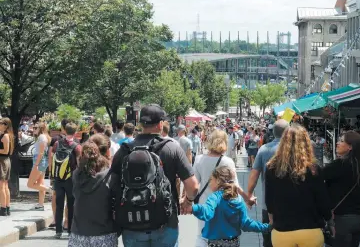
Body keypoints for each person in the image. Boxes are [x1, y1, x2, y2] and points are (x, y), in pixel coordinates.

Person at [111, 104, 199, 247]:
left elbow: (111, 184)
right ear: (160, 124)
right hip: (165, 221)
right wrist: (187, 201)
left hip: (132, 221)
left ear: (140, 124)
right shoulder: (172, 148)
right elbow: (193, 186)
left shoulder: (125, 150)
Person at [265, 125, 334, 247]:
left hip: (282, 231)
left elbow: (269, 200)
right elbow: (323, 200)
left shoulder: (272, 169)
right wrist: (329, 221)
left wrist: (272, 219)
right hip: (310, 230)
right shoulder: (314, 169)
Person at [193, 129, 254, 247]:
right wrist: (247, 198)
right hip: (224, 206)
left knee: (203, 235)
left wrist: (187, 200)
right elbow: (235, 186)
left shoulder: (199, 159)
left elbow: (195, 185)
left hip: (205, 204)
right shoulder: (228, 161)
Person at [188, 166, 270, 247]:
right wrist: (266, 227)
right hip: (234, 243)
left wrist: (193, 208)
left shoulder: (215, 197)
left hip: (215, 244)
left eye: (211, 180)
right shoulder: (238, 199)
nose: (210, 183)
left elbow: (207, 212)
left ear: (218, 181)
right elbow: (246, 224)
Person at [69, 134, 118, 247]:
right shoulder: (111, 177)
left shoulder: (77, 175)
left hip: (78, 233)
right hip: (104, 234)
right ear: (107, 152)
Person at [247, 119, 289, 247]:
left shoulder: (264, 149)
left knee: (269, 239)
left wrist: (249, 195)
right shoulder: (294, 150)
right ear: (287, 132)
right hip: (291, 204)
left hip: (268, 204)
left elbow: (254, 175)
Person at [322, 131, 360, 247]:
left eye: (341, 141)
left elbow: (316, 177)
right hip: (359, 218)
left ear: (350, 147)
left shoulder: (338, 165)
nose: (337, 143)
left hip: (341, 220)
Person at [51, 122, 82, 239]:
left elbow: (52, 157)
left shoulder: (57, 143)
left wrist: (52, 174)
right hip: (71, 178)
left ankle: (58, 231)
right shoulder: (77, 146)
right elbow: (79, 163)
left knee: (59, 204)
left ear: (64, 130)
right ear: (76, 132)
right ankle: (70, 231)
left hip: (58, 178)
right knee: (71, 205)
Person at [48, 118, 70, 228]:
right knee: (68, 197)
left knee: (55, 196)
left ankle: (56, 220)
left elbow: (50, 156)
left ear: (61, 127)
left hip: (56, 173)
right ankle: (66, 222)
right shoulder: (75, 141)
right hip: (69, 173)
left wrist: (51, 171)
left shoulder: (55, 139)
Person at [27, 122, 51, 211]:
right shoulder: (43, 137)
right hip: (42, 161)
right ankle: (41, 204)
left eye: (35, 128)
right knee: (40, 183)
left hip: (39, 161)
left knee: (30, 184)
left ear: (40, 128)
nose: (33, 129)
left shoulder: (42, 137)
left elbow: (41, 153)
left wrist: (36, 164)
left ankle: (51, 190)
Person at [0, 118, 14, 216]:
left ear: (6, 125)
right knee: (5, 186)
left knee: (2, 186)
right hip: (5, 161)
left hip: (2, 161)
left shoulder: (5, 136)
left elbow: (5, 151)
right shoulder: (6, 135)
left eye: (0, 123)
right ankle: (7, 207)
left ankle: (3, 208)